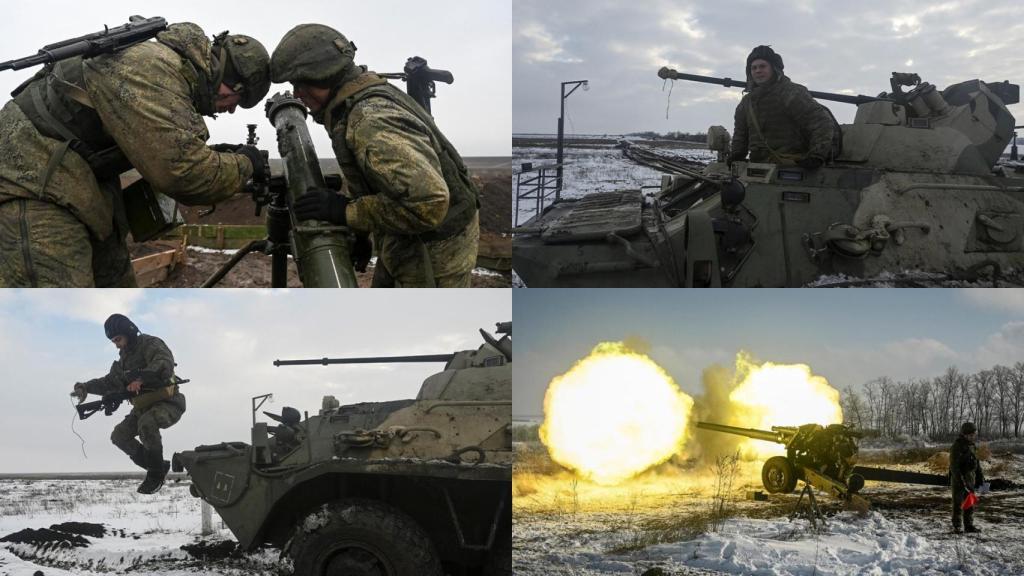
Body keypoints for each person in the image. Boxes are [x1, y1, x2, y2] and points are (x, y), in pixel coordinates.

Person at [0, 22, 271, 287]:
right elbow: (185, 174)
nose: (231, 110)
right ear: (230, 84)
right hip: (31, 179)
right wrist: (247, 163)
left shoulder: (173, 75)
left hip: (78, 181)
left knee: (116, 287)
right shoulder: (154, 68)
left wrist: (216, 155)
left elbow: (169, 146)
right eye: (238, 101)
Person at [269, 24, 480, 287]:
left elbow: (428, 204)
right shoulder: (356, 96)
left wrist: (345, 211)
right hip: (406, 241)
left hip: (433, 256)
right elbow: (378, 181)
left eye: (301, 84)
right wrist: (361, 233)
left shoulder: (371, 120)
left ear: (323, 75)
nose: (297, 94)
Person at [71, 314, 185, 494]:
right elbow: (109, 382)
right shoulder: (123, 361)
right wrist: (85, 387)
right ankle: (158, 466)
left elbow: (164, 363)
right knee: (119, 436)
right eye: (113, 341)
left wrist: (141, 379)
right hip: (142, 407)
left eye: (118, 339)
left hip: (168, 403)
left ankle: (155, 475)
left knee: (147, 423)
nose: (117, 345)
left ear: (128, 332)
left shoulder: (150, 344)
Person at [729, 45, 836, 170]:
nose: (758, 71)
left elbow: (821, 122)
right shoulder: (747, 102)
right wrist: (736, 155)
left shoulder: (791, 93)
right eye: (754, 68)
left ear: (774, 68)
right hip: (758, 169)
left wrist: (816, 155)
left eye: (762, 66)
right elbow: (740, 134)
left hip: (792, 167)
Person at [950, 421, 985, 533]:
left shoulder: (972, 446)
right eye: (970, 435)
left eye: (973, 435)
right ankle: (957, 526)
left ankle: (969, 525)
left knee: (969, 503)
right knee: (958, 503)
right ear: (964, 434)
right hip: (959, 480)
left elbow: (976, 464)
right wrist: (961, 481)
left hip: (970, 479)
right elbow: (954, 467)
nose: (972, 437)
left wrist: (980, 478)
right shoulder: (957, 447)